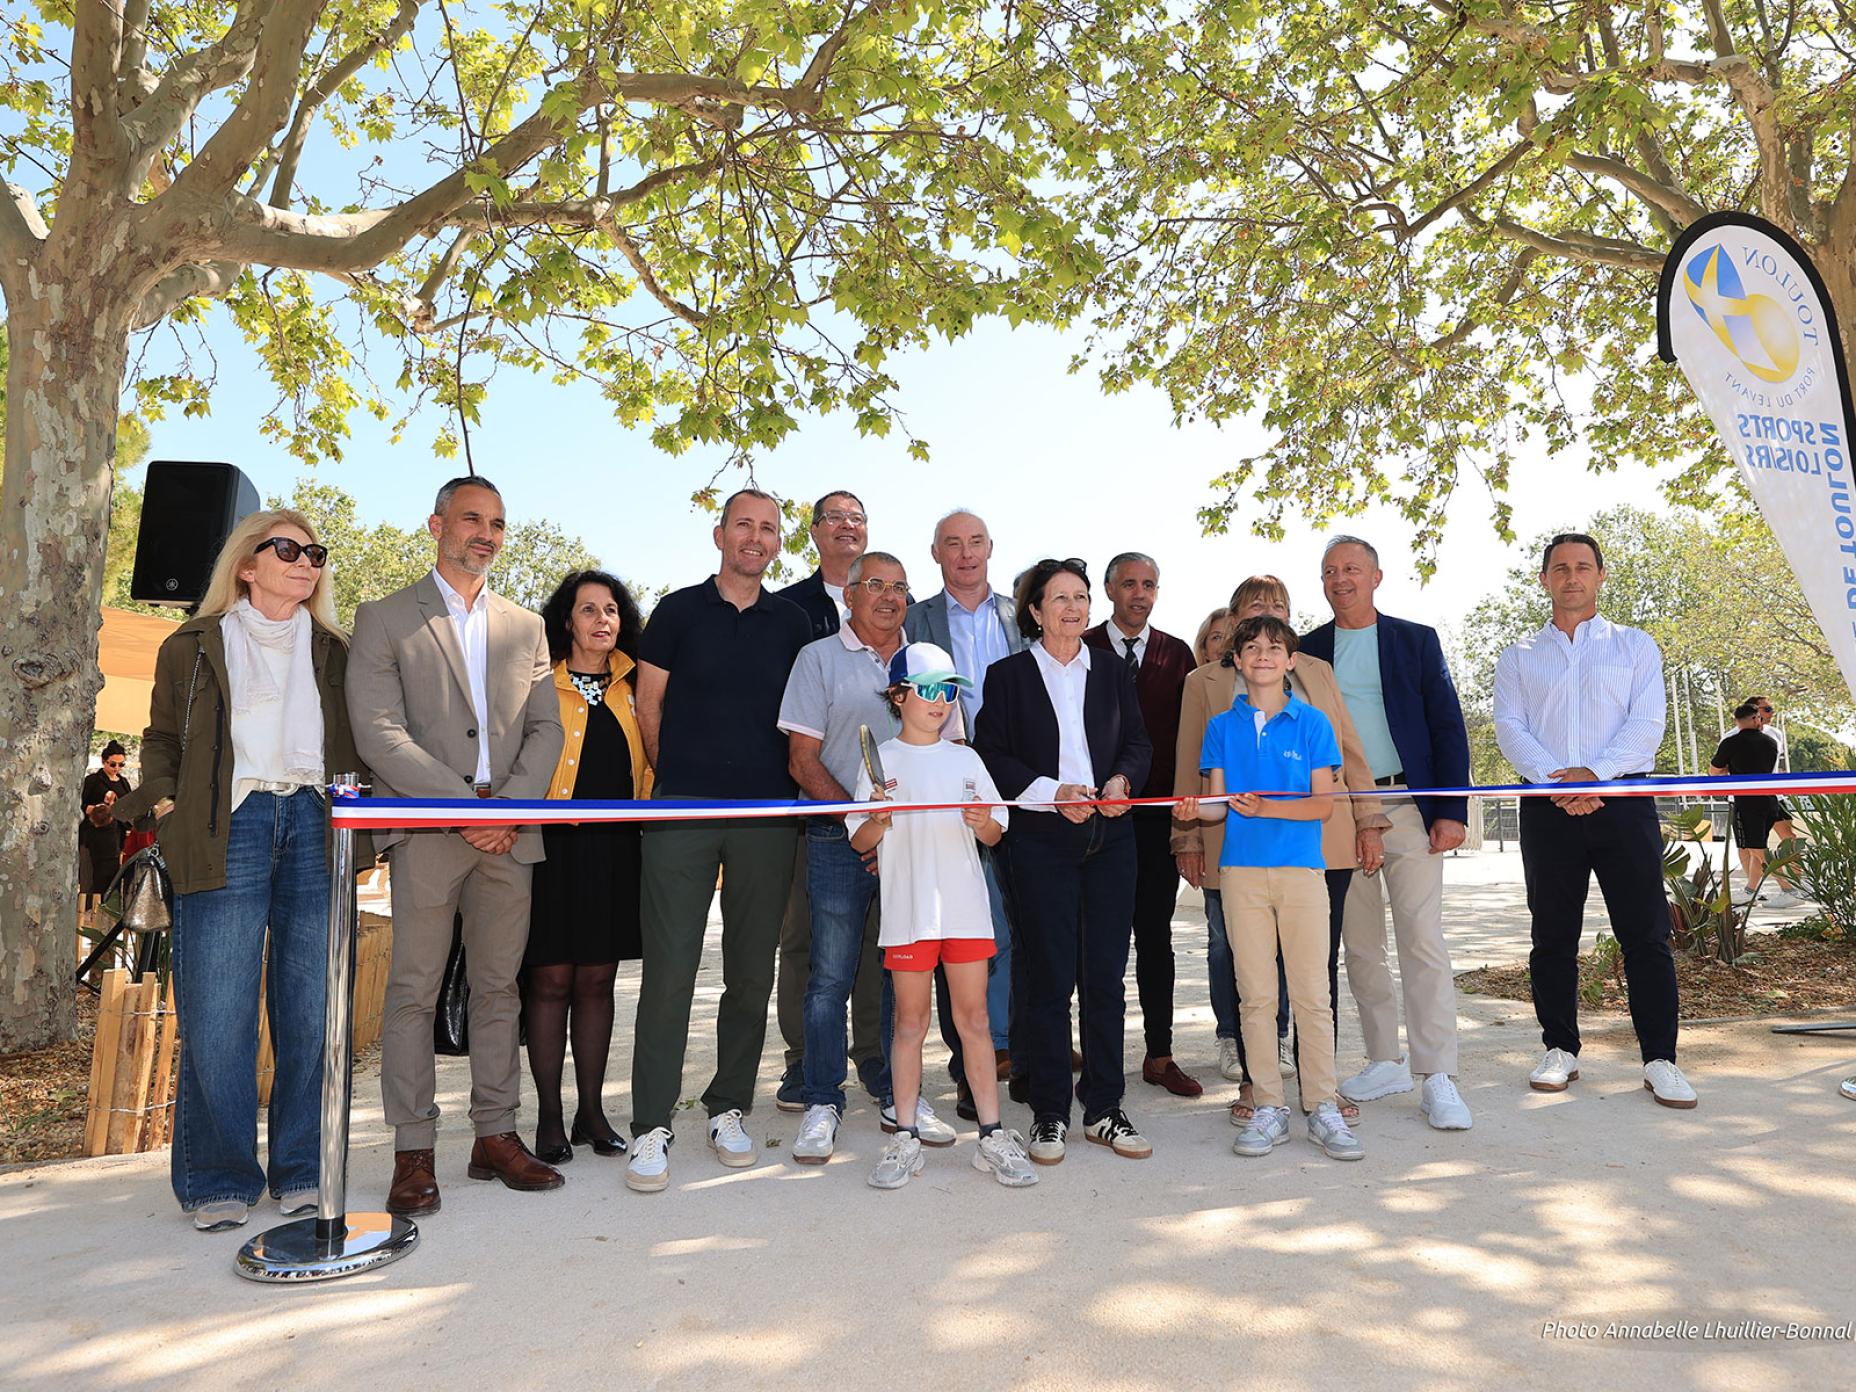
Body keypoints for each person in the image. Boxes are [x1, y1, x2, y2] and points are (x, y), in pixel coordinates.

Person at [112, 510, 365, 1231]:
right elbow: (160, 736)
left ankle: (306, 1168)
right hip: (229, 826)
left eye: (314, 551)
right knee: (218, 1013)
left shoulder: (337, 649)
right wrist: (162, 804)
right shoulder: (191, 644)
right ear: (245, 565)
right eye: (285, 548)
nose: (305, 560)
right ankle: (218, 1177)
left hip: (319, 822)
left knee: (312, 1011)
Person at [348, 476, 568, 1217]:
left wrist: (505, 809)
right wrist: (457, 806)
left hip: (510, 834)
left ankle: (495, 1137)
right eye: (472, 518)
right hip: (428, 831)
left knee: (500, 990)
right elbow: (377, 732)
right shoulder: (383, 618)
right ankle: (414, 1151)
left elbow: (547, 729)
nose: (487, 533)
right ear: (437, 523)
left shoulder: (528, 627)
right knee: (412, 990)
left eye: (498, 522)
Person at [626, 488, 813, 1192]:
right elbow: (650, 707)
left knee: (751, 974)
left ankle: (728, 1105)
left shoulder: (792, 622)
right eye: (745, 526)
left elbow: (803, 716)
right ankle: (651, 1124)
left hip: (768, 817)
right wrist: (675, 775)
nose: (756, 539)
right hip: (683, 811)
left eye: (768, 529)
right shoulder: (676, 611)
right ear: (719, 533)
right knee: (670, 972)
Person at [1173, 576, 1386, 1126]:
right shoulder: (1221, 728)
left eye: (1274, 648)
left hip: (1302, 872)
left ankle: (1321, 1101)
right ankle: (1267, 1101)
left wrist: (1264, 808)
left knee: (1313, 993)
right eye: (1251, 649)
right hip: (1241, 874)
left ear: (1291, 659)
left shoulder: (1314, 723)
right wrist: (1196, 813)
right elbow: (1219, 804)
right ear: (1236, 660)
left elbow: (1322, 805)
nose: (1262, 657)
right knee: (1256, 997)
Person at [1493, 532, 1696, 1108]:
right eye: (1560, 568)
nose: (1572, 577)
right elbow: (1510, 728)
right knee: (1552, 936)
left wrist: (1596, 776)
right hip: (1547, 805)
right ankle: (1560, 1049)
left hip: (1624, 803)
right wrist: (1559, 781)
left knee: (1646, 936)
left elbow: (1646, 724)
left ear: (1601, 576)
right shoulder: (1519, 657)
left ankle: (1660, 1059)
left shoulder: (1635, 646)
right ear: (1544, 580)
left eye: (1583, 567)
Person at [778, 552, 963, 1165]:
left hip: (917, 847)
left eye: (900, 587)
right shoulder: (817, 658)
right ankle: (822, 1100)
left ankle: (895, 1093)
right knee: (829, 975)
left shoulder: (929, 663)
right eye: (875, 585)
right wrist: (863, 824)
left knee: (901, 971)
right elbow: (803, 761)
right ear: (849, 595)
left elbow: (953, 752)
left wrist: (899, 835)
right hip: (839, 838)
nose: (889, 596)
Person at [974, 558, 1153, 1166]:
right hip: (1041, 841)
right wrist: (1053, 793)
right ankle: (1049, 1113)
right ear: (1035, 610)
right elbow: (991, 754)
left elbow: (1138, 741)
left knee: (1104, 978)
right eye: (1060, 599)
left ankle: (1104, 1107)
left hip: (1112, 840)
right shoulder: (1008, 677)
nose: (1074, 608)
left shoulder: (1111, 670)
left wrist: (1124, 778)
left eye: (1080, 597)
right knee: (1048, 980)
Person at [1302, 536, 1474, 1131]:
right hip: (1338, 809)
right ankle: (1384, 1060)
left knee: (1421, 937)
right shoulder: (1305, 651)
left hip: (1408, 804)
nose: (1340, 578)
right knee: (1360, 945)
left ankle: (1439, 1074)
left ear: (1377, 576)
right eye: (1329, 571)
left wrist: (1451, 809)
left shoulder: (1415, 640)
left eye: (1351, 568)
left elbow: (1447, 723)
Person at [848, 642, 1035, 1189]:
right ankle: (904, 1137)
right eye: (929, 690)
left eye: (950, 690)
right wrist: (878, 819)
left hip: (965, 913)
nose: (941, 701)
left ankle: (993, 1135)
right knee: (909, 1024)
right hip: (908, 915)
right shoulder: (880, 760)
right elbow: (859, 836)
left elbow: (997, 830)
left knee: (975, 1021)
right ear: (898, 696)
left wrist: (982, 822)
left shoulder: (967, 758)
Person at [523, 570, 652, 1165]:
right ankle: (549, 1115)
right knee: (550, 981)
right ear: (566, 621)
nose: (602, 620)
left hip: (615, 850)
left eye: (611, 610)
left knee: (599, 982)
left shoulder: (637, 684)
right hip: (550, 849)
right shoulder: (536, 681)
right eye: (587, 610)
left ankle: (591, 1112)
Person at [905, 509, 1026, 1106]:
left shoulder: (1018, 615)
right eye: (952, 543)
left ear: (990, 547)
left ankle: (1017, 1039)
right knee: (962, 922)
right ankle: (974, 1056)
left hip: (1016, 779)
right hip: (945, 777)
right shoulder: (914, 618)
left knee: (1019, 913)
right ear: (937, 554)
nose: (966, 553)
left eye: (975, 541)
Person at [772, 491, 888, 1113]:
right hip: (813, 809)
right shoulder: (789, 608)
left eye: (858, 518)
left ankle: (872, 1053)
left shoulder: (903, 617)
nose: (847, 526)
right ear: (814, 532)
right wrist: (847, 813)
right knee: (808, 941)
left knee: (879, 942)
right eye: (835, 518)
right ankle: (804, 1062)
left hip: (893, 824)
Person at [1083, 552, 1201, 1097]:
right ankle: (1083, 1052)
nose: (1139, 593)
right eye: (1128, 583)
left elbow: (1188, 739)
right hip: (1091, 817)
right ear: (1108, 589)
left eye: (1148, 584)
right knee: (1092, 941)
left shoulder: (1176, 654)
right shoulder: (1079, 644)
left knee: (1155, 937)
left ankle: (1159, 1053)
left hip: (1155, 820)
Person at [1709, 699, 1784, 906]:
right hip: (1769, 800)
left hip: (1746, 802)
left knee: (1757, 850)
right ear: (1755, 718)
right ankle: (1751, 889)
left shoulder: (1731, 742)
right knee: (1756, 848)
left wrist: (1728, 769)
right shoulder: (1771, 742)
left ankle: (1787, 888)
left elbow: (1715, 771)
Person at [78, 741, 133, 933]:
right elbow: (81, 804)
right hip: (92, 838)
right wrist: (94, 808)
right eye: (113, 764)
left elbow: (129, 810)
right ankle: (85, 917)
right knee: (89, 877)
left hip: (113, 841)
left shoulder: (124, 783)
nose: (116, 768)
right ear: (104, 762)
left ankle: (106, 917)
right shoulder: (93, 780)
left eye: (121, 765)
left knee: (109, 879)